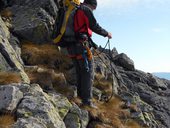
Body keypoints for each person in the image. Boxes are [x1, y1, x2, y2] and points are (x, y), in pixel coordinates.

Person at [59, 0, 112, 108]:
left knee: (80, 72)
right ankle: (87, 102)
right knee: (88, 73)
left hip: (70, 45)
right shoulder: (85, 9)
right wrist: (107, 34)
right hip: (81, 46)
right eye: (94, 8)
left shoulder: (73, 9)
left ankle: (80, 98)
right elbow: (94, 25)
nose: (93, 11)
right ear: (91, 5)